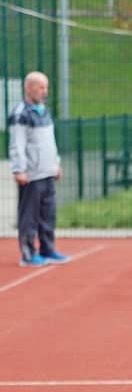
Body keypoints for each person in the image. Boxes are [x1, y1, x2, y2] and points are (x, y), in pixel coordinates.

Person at [8, 71, 67, 267]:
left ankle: (48, 249)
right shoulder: (21, 114)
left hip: (47, 172)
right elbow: (17, 144)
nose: (45, 91)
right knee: (29, 216)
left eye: (46, 87)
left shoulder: (44, 111)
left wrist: (55, 164)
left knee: (48, 215)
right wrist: (19, 169)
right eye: (41, 87)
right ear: (28, 88)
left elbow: (50, 141)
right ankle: (28, 254)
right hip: (31, 175)